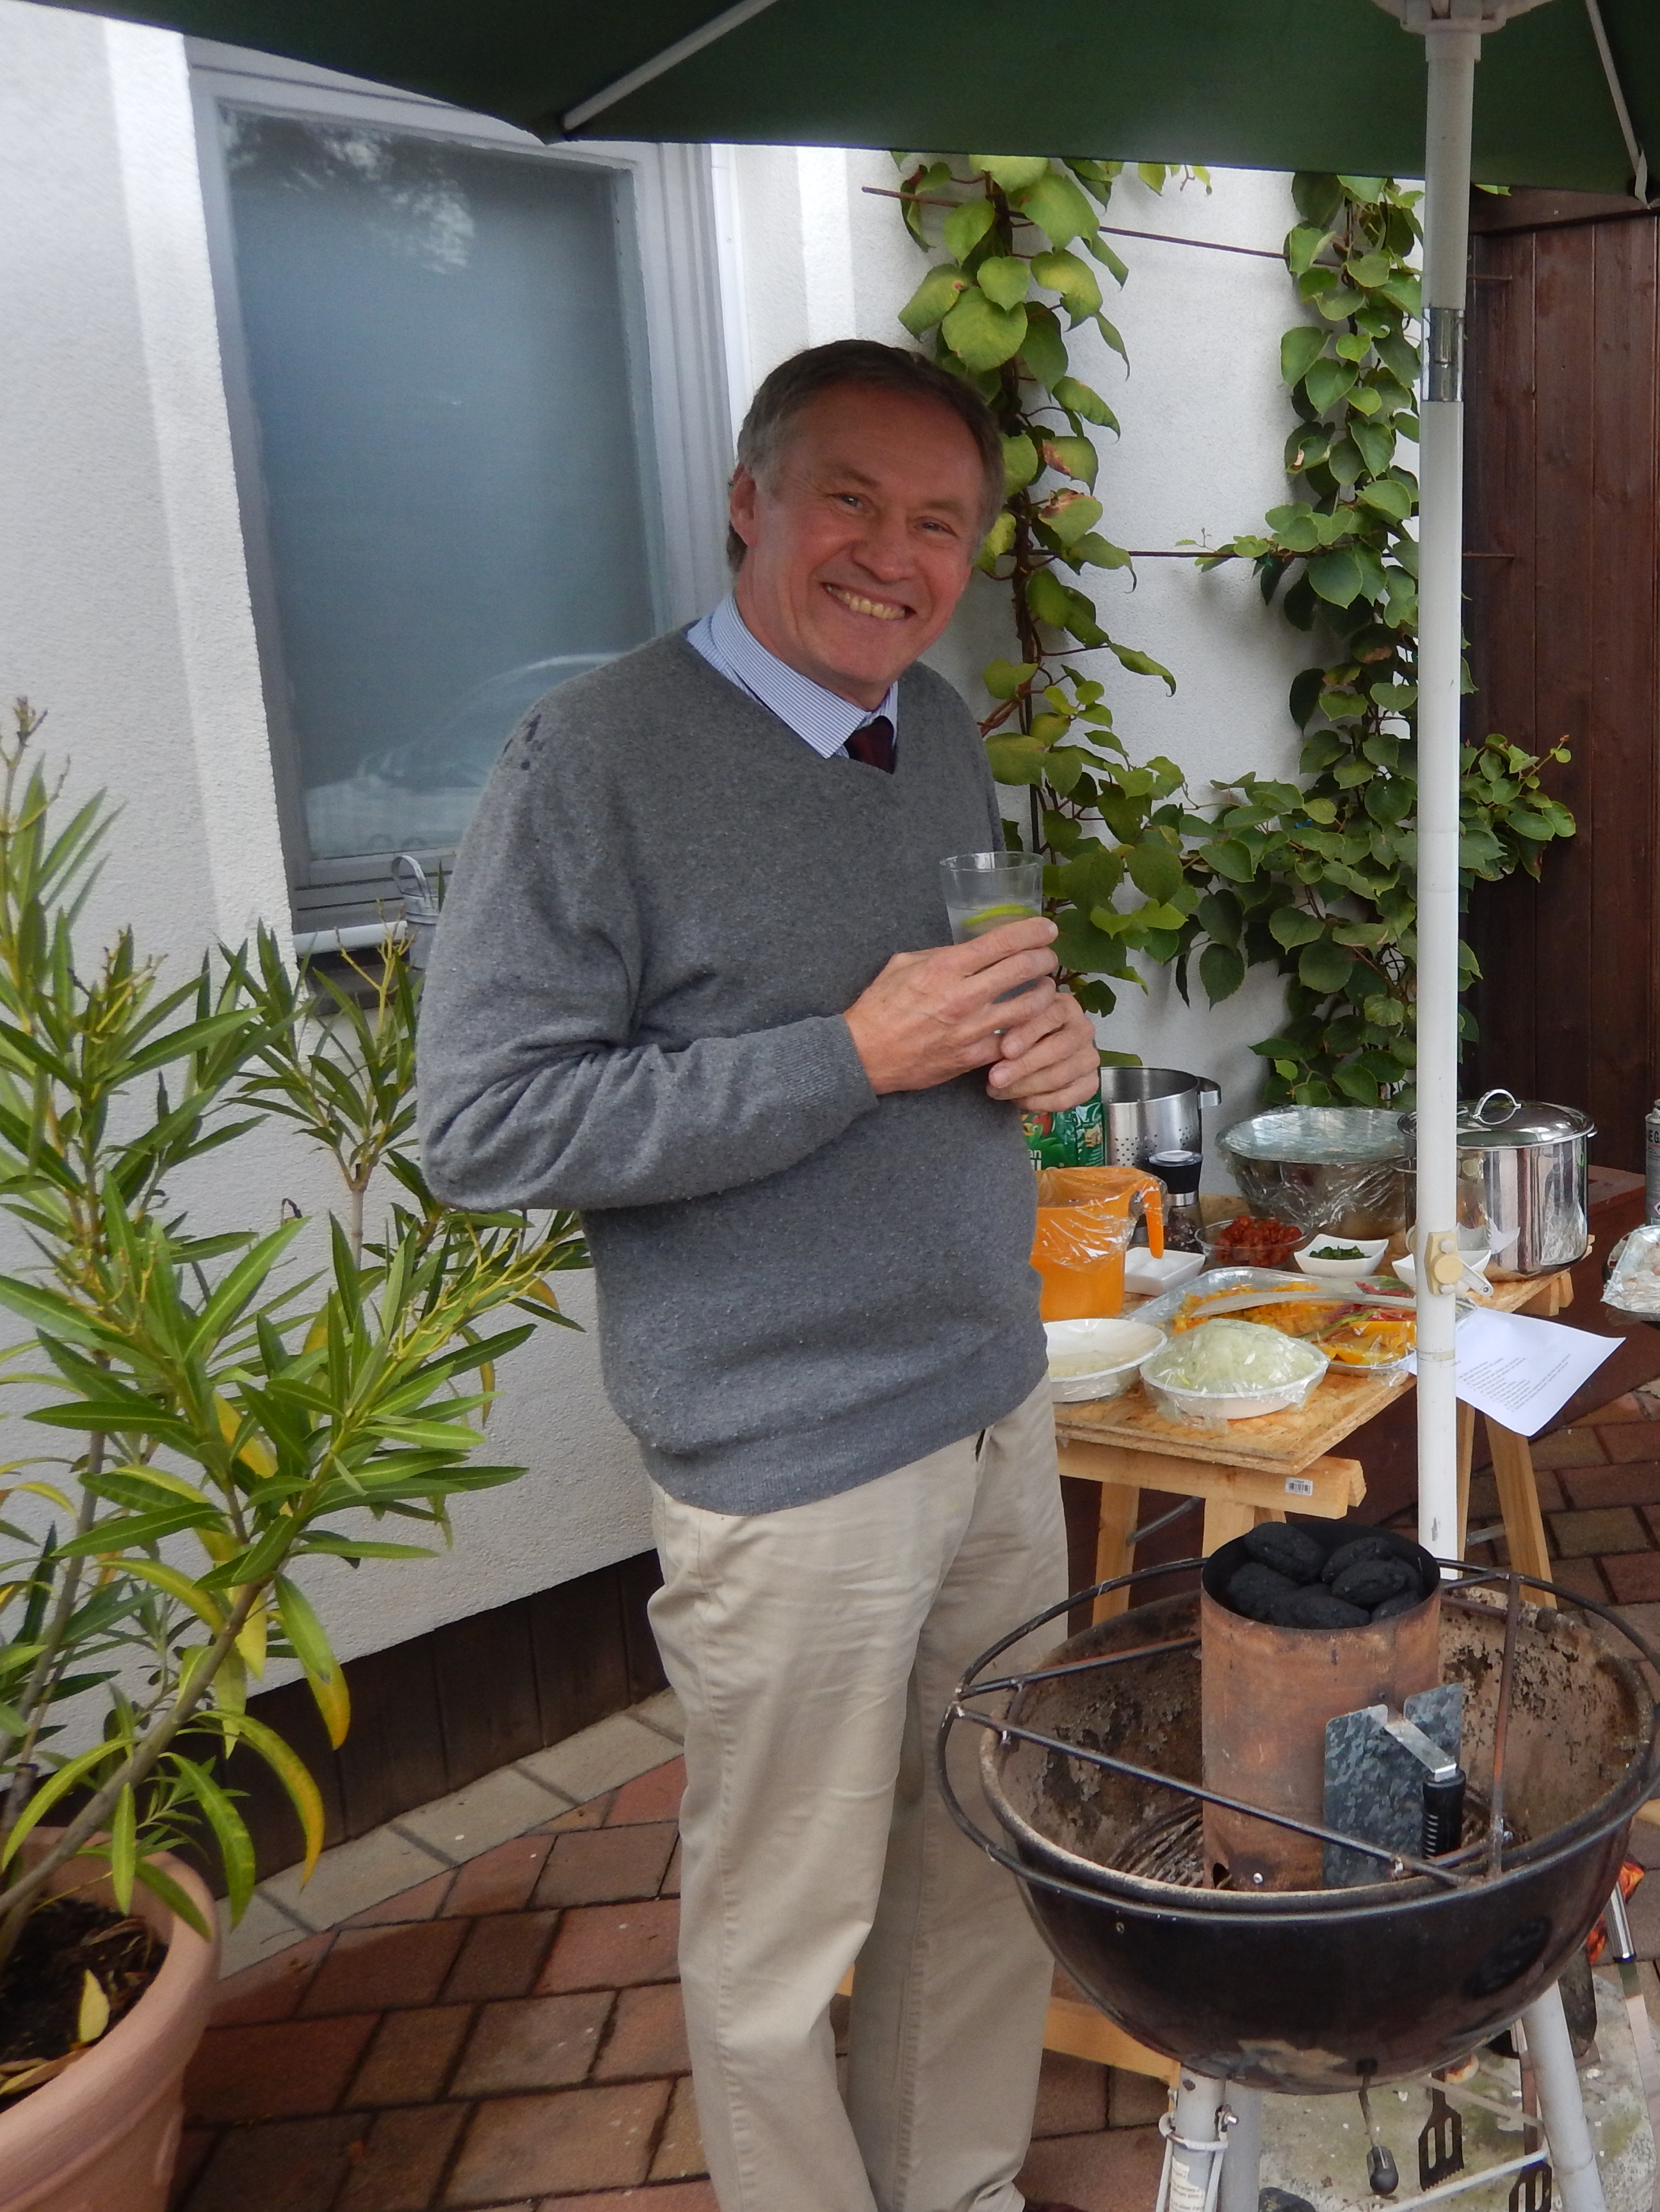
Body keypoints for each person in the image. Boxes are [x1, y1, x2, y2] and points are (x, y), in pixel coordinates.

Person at [418, 339, 1100, 2212]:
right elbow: (484, 1128)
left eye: (939, 522)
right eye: (848, 501)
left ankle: (956, 2188)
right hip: (791, 1454)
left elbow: (968, 997)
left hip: (993, 1401)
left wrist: (1048, 1045)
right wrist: (847, 1055)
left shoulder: (931, 725)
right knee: (786, 1930)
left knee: (984, 1853)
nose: (894, 555)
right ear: (749, 503)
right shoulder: (595, 758)